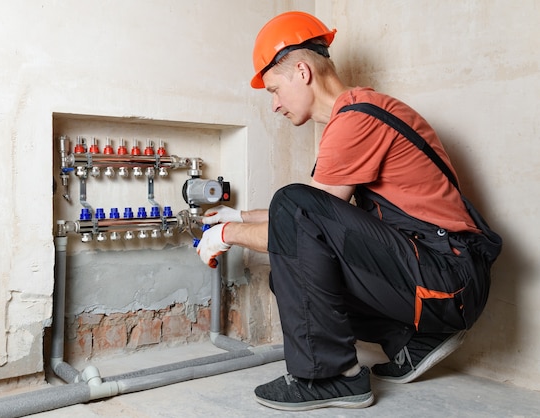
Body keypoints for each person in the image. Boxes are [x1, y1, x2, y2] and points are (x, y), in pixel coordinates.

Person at [196, 11, 501, 412]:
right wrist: (237, 218)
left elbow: (301, 216)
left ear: (302, 72)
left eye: (274, 90)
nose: (274, 105)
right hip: (442, 274)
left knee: (295, 205)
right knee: (290, 276)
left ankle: (329, 377)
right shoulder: (359, 113)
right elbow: (307, 222)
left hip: (449, 278)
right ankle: (413, 340)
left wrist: (225, 237)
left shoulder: (357, 120)